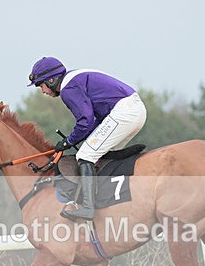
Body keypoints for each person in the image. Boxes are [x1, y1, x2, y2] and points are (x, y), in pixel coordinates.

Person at [27, 56, 147, 221]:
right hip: (134, 111)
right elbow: (92, 121)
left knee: (85, 155)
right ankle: (113, 203)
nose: (42, 91)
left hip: (124, 113)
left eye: (41, 85)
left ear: (52, 80)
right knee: (100, 154)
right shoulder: (74, 78)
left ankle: (88, 208)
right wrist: (74, 140)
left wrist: (68, 141)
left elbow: (86, 121)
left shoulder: (68, 89)